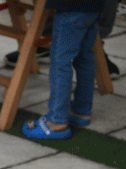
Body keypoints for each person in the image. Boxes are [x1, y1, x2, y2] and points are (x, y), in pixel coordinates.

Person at [22, 0, 106, 140]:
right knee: (85, 57)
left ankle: (56, 120)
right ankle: (82, 110)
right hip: (94, 7)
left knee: (60, 61)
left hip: (69, 8)